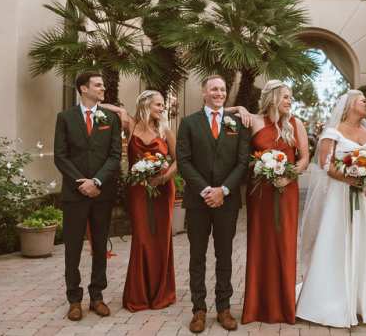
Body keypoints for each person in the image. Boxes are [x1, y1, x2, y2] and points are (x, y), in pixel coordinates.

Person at [296, 90, 366, 327]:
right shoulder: (332, 132)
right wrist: (353, 178)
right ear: (348, 105)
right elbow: (326, 165)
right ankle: (333, 303)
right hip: (341, 196)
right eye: (362, 101)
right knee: (339, 243)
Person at [176, 75, 251, 333]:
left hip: (227, 202)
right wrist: (207, 190)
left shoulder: (238, 124)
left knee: (225, 255)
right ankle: (199, 309)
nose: (219, 93)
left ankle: (224, 307)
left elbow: (243, 162)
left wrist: (224, 190)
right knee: (197, 256)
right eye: (214, 89)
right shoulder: (188, 123)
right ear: (204, 93)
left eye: (222, 89)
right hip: (198, 201)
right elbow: (183, 161)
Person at [53, 71, 121, 321]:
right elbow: (60, 155)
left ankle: (97, 296)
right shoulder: (65, 118)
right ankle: (74, 299)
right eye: (98, 85)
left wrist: (97, 181)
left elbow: (115, 155)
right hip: (75, 193)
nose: (103, 88)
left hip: (102, 193)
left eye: (102, 85)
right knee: (72, 248)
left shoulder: (110, 118)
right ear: (83, 88)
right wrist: (81, 182)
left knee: (101, 245)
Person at [241, 80, 310, 324]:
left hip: (286, 191)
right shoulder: (254, 121)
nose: (290, 101)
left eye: (291, 97)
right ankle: (257, 306)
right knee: (261, 244)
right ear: (272, 98)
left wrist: (288, 175)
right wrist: (238, 109)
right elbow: (246, 159)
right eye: (286, 97)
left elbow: (304, 158)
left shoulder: (295, 123)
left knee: (284, 243)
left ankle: (283, 305)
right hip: (260, 194)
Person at [102, 91, 177, 312]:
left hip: (162, 190)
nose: (162, 108)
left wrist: (163, 178)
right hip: (137, 191)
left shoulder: (165, 131)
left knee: (161, 238)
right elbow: (101, 106)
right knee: (142, 238)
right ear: (145, 104)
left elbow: (179, 160)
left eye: (163, 104)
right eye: (158, 104)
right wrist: (121, 110)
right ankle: (140, 295)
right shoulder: (131, 125)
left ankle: (161, 293)